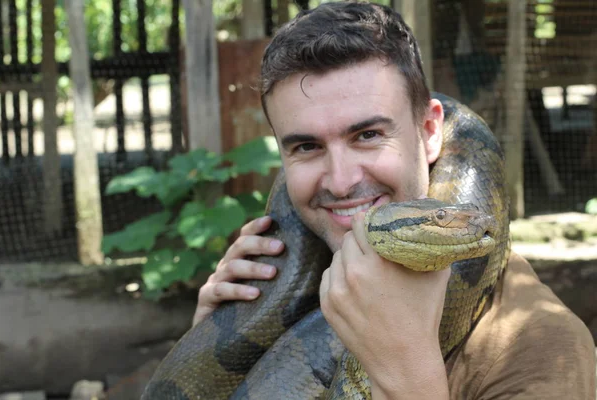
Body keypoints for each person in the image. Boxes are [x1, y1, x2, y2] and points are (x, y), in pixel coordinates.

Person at [193, 1, 596, 398]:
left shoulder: (538, 352)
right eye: (306, 146)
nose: (341, 181)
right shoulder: (275, 297)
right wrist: (210, 348)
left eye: (367, 135)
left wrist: (410, 376)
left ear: (429, 131)